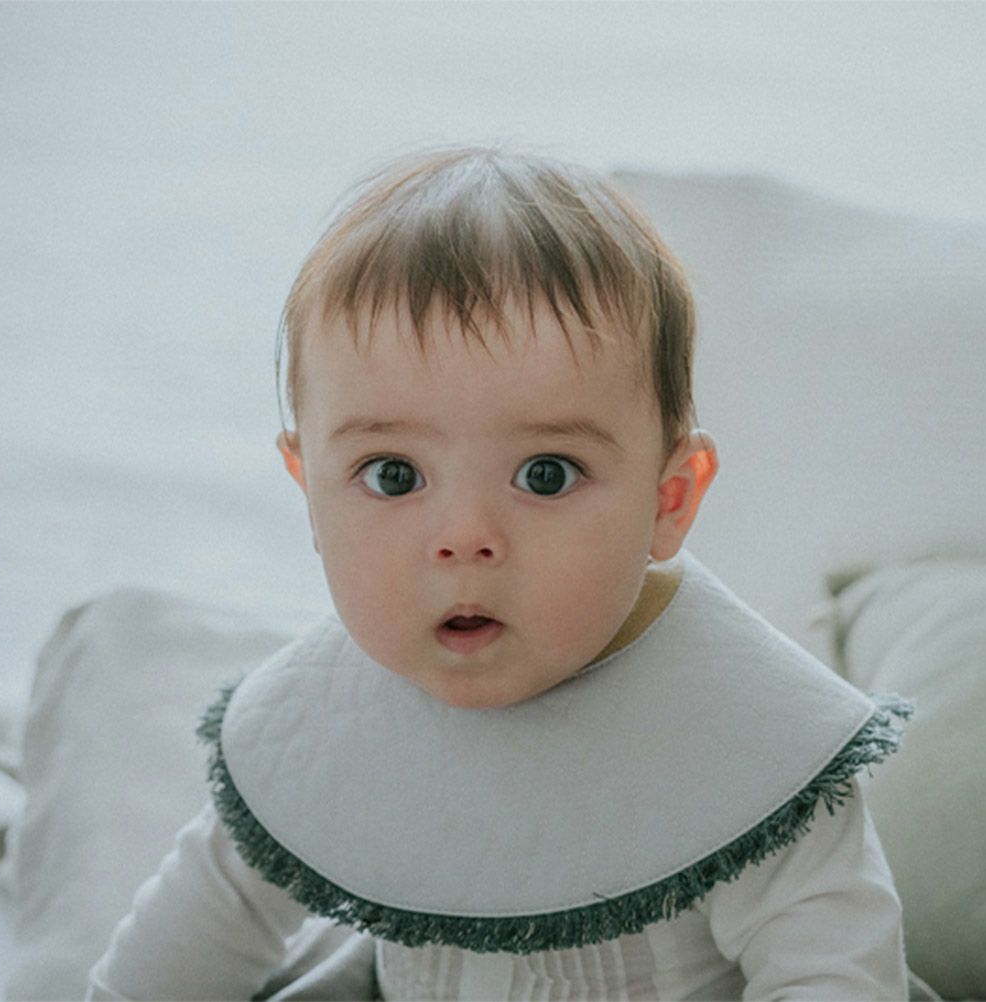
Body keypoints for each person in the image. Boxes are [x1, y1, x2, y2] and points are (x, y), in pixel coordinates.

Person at [87, 145, 912, 1000]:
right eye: (393, 475)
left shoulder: (751, 748)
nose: (464, 539)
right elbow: (188, 938)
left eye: (545, 475)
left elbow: (834, 974)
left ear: (668, 500)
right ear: (310, 494)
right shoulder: (323, 722)